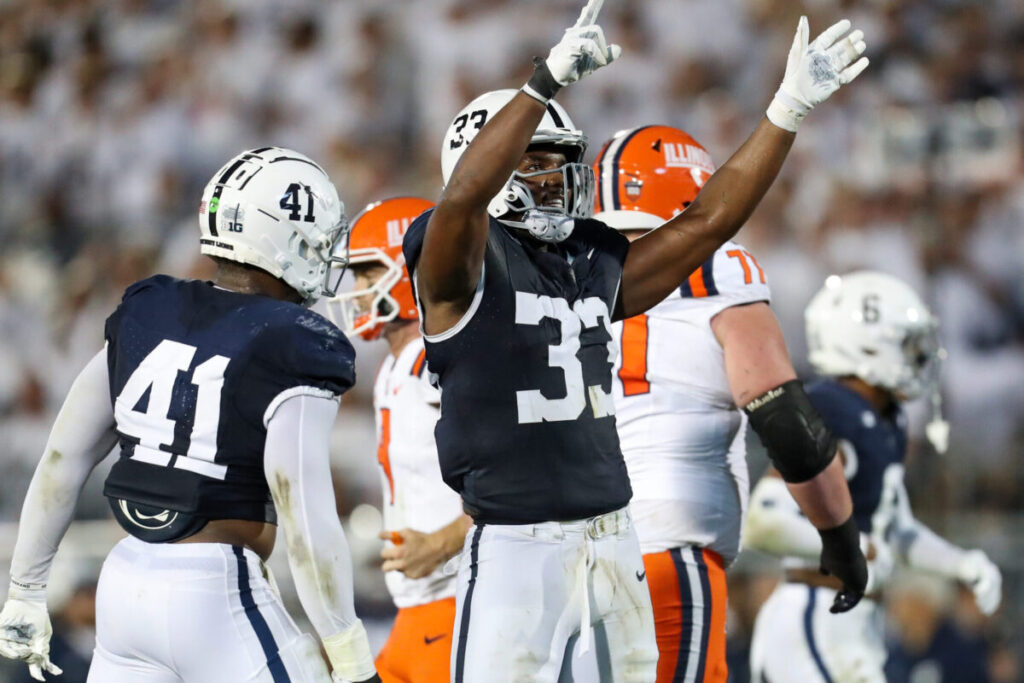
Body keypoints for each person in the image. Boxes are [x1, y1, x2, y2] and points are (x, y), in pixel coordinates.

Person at [402, 2, 871, 679]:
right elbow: (461, 204)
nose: (559, 178)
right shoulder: (454, 271)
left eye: (562, 162)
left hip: (615, 537)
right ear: (492, 170)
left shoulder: (584, 265)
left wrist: (787, 110)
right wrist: (541, 85)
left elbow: (707, 222)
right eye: (537, 164)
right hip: (515, 544)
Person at [0, 147, 379, 683]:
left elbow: (63, 456)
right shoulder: (297, 341)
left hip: (125, 586)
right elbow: (306, 516)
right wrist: (348, 650)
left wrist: (26, 588)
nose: (325, 256)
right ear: (284, 240)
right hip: (215, 592)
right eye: (318, 241)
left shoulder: (151, 308)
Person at [589, 123, 840, 683]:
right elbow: (783, 417)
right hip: (666, 540)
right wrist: (839, 537)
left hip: (566, 554)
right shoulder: (720, 264)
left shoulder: (564, 273)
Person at [746, 271, 1003, 682]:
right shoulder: (832, 408)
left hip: (856, 620)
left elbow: (894, 531)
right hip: (815, 612)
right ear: (865, 344)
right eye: (907, 345)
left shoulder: (887, 420)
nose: (919, 358)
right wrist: (854, 547)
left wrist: (961, 563)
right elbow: (763, 522)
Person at [326, 197, 471, 683]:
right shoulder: (399, 364)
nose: (359, 290)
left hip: (459, 603)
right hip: (419, 612)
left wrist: (444, 541)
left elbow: (522, 472)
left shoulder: (441, 360)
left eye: (371, 273)